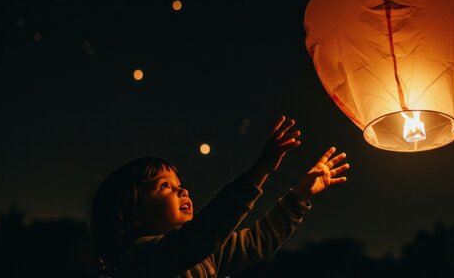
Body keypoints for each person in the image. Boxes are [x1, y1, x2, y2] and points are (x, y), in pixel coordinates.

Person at [88, 116, 350, 277]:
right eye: (164, 186)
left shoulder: (206, 253)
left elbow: (258, 241)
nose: (183, 190)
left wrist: (299, 195)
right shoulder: (140, 258)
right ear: (132, 213)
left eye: (179, 184)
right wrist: (261, 169)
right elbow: (206, 231)